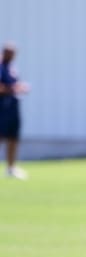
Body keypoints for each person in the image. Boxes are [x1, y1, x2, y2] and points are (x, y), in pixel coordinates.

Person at [0, 42, 30, 179]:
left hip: (13, 107)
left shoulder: (12, 67)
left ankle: (11, 168)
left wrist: (20, 87)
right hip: (2, 108)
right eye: (9, 52)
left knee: (13, 138)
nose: (12, 56)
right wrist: (14, 89)